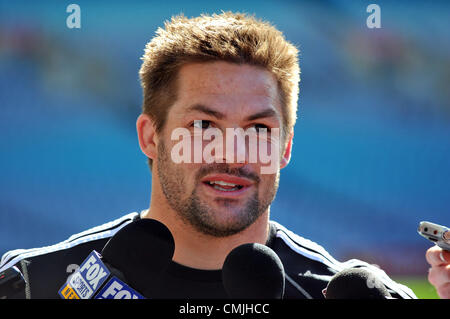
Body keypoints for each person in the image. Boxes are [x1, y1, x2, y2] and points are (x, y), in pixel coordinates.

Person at [0, 11, 435, 299]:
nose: (233, 153)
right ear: (151, 137)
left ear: (284, 148)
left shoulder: (344, 294)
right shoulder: (35, 284)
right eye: (204, 125)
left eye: (258, 129)